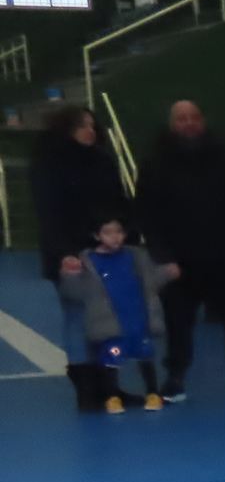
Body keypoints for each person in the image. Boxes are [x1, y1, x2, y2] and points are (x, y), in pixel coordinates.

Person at [135, 99, 225, 403]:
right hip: (178, 262)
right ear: (172, 124)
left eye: (194, 117)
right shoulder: (155, 163)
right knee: (177, 323)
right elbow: (145, 211)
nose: (189, 123)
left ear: (203, 120)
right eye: (181, 118)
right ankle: (175, 378)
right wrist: (162, 254)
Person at [30, 104, 132, 412]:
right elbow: (49, 214)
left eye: (91, 125)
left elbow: (119, 203)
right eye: (80, 126)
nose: (89, 131)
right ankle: (86, 389)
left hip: (106, 251)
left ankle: (109, 386)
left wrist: (123, 234)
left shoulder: (102, 160)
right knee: (76, 319)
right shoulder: (49, 165)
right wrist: (65, 254)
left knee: (109, 320)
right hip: (70, 254)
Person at [59, 215, 168, 411]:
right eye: (108, 233)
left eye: (119, 232)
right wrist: (69, 276)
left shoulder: (135, 256)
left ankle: (153, 393)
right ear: (97, 235)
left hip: (137, 319)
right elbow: (75, 291)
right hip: (110, 323)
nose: (115, 237)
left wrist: (167, 272)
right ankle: (111, 396)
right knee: (111, 359)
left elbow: (150, 280)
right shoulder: (88, 261)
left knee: (145, 356)